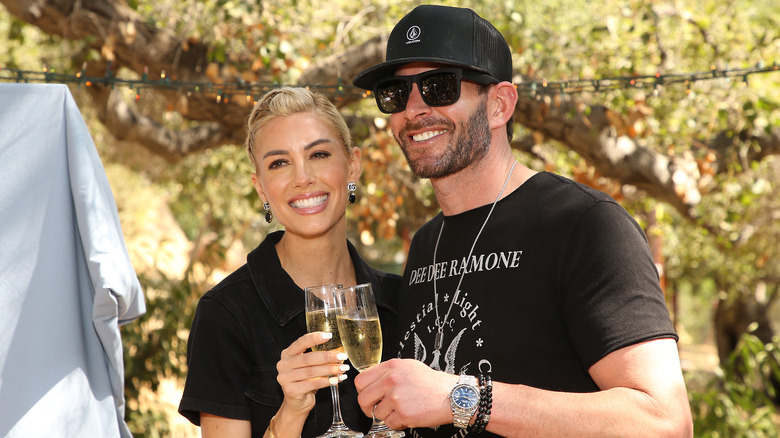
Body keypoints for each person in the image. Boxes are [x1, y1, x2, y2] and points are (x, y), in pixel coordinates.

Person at [350, 5, 693, 437]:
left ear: (499, 105)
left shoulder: (586, 225)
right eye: (395, 94)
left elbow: (664, 422)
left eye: (439, 86)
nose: (413, 109)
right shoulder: (426, 242)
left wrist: (462, 398)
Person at [178, 87, 400, 438]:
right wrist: (290, 413)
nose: (302, 178)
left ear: (353, 165)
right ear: (262, 188)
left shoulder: (404, 299)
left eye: (319, 154)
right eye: (279, 163)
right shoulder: (225, 316)